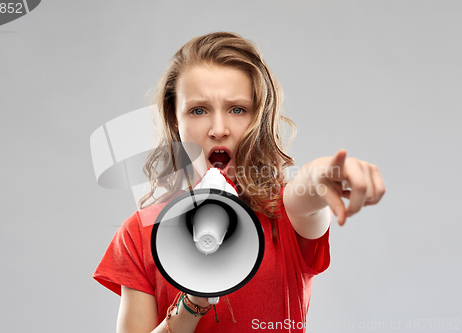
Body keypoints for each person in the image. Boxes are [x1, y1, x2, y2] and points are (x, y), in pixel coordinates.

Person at [93, 32, 385, 333]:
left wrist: (326, 173)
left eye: (237, 109)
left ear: (257, 117)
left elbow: (307, 189)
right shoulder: (138, 235)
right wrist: (195, 299)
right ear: (174, 118)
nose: (218, 129)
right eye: (198, 110)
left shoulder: (285, 212)